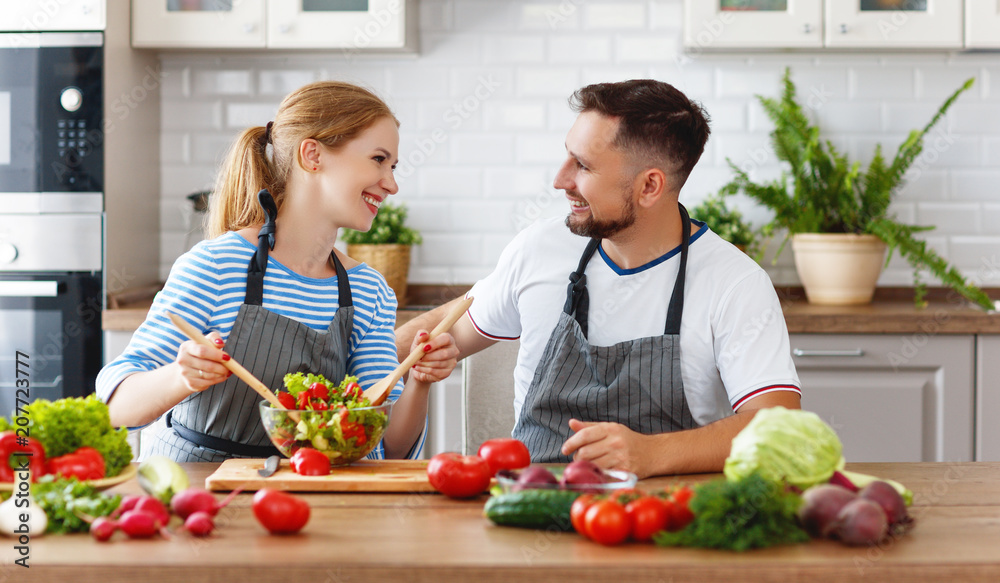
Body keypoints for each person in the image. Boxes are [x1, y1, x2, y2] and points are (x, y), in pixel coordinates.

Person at [396, 79, 801, 479]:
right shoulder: (539, 249)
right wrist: (357, 366)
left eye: (583, 166)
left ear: (649, 186)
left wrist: (652, 453)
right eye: (567, 157)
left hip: (666, 519)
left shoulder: (734, 282)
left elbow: (777, 428)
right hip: (532, 508)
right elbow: (451, 325)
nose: (560, 180)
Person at [98, 81, 458, 462]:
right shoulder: (218, 267)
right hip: (196, 499)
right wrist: (179, 376)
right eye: (378, 159)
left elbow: (389, 447)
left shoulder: (368, 291)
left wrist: (419, 381)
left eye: (393, 166)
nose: (392, 183)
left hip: (305, 503)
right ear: (312, 155)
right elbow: (116, 406)